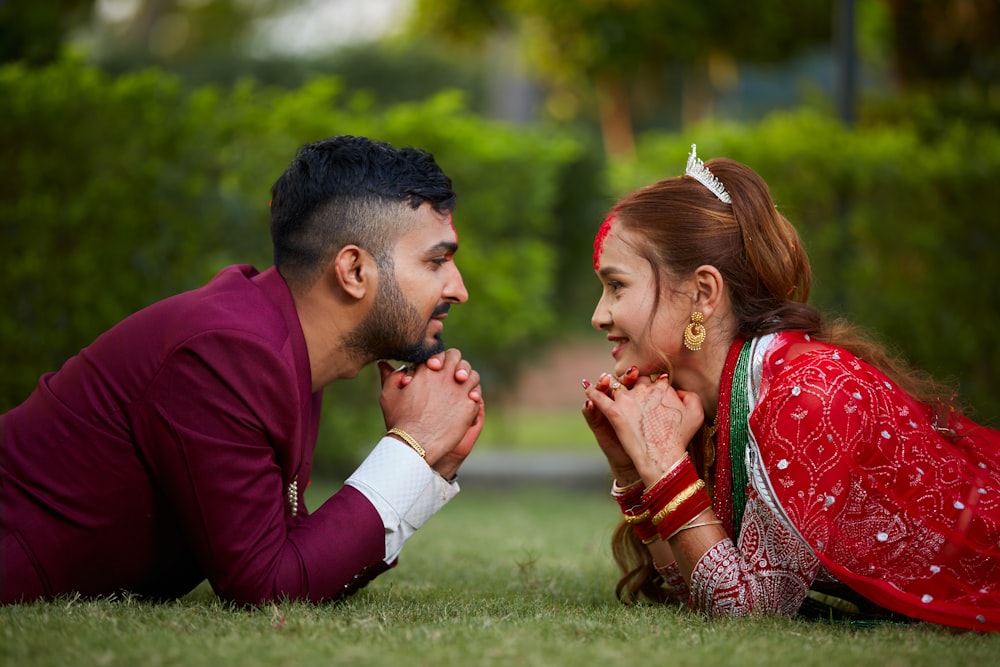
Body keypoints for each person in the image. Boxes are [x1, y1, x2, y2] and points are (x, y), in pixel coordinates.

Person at [0, 135, 485, 605]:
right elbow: (268, 584)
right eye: (437, 261)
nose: (458, 289)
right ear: (354, 271)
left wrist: (431, 461)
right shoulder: (227, 349)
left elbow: (298, 557)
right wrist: (411, 446)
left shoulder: (276, 341)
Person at [581, 145, 1000, 632]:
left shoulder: (807, 395)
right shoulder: (722, 398)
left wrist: (663, 465)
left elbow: (749, 610)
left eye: (616, 286)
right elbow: (694, 587)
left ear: (702, 292)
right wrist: (632, 469)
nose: (599, 315)